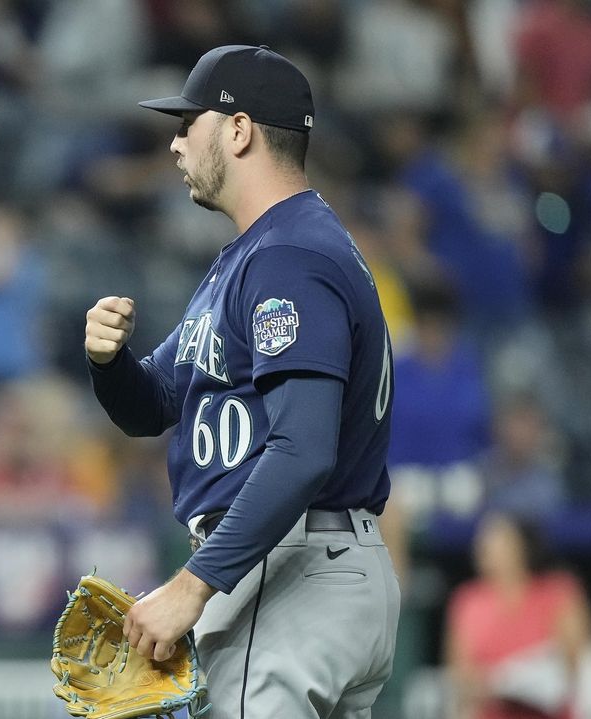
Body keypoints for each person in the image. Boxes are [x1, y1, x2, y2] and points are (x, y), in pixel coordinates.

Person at [83, 45, 400, 716]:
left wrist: (194, 584)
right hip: (317, 564)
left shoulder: (287, 256)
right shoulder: (266, 250)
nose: (172, 144)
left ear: (238, 129)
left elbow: (304, 447)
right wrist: (109, 363)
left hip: (290, 571)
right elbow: (155, 403)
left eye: (186, 123)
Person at [445, 512, 591, 719]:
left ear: (521, 546)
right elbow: (461, 675)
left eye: (496, 540)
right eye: (482, 541)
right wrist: (494, 686)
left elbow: (580, 663)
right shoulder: (468, 601)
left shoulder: (559, 592)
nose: (483, 547)